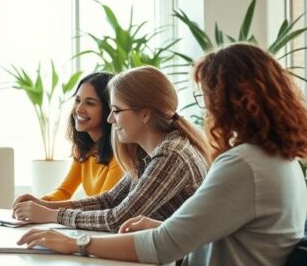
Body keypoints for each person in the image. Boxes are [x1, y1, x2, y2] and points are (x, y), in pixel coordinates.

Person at [18, 43, 307, 266]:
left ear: (231, 98)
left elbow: (162, 245)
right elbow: (223, 233)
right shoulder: (275, 158)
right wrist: (164, 224)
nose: (207, 106)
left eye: (208, 95)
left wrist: (77, 243)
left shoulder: (243, 164)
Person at [12, 66, 210, 234]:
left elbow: (119, 218)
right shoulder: (150, 152)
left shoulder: (171, 155)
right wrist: (45, 205)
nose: (110, 120)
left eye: (116, 111)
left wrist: (52, 215)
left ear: (145, 114)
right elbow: (110, 199)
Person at [20, 72, 124, 203]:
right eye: (78, 100)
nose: (79, 109)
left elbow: (102, 205)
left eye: (90, 103)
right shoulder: (84, 149)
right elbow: (64, 191)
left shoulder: (120, 154)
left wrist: (45, 209)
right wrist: (35, 202)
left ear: (108, 110)